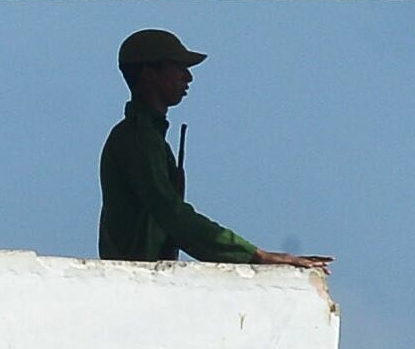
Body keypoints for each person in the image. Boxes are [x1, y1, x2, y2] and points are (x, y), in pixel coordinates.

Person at [97, 28, 329, 269]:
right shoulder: (137, 138)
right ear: (149, 74)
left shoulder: (145, 137)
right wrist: (256, 256)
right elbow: (172, 214)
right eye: (178, 67)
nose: (188, 77)